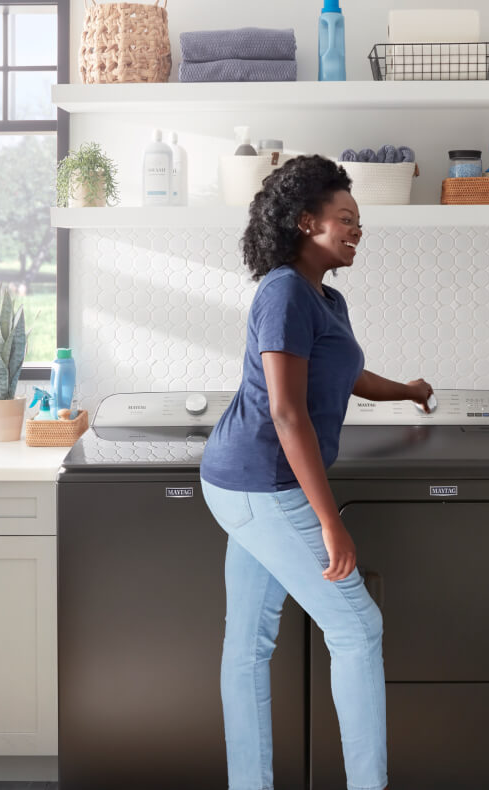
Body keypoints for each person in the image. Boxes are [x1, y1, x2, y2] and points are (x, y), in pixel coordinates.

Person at [199, 155, 433, 790]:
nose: (357, 230)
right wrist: (331, 523)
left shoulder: (326, 297)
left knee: (248, 645)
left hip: (247, 481)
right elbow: (285, 409)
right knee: (358, 627)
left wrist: (407, 389)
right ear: (306, 222)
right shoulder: (282, 291)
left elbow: (346, 373)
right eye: (345, 219)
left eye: (359, 221)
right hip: (259, 483)